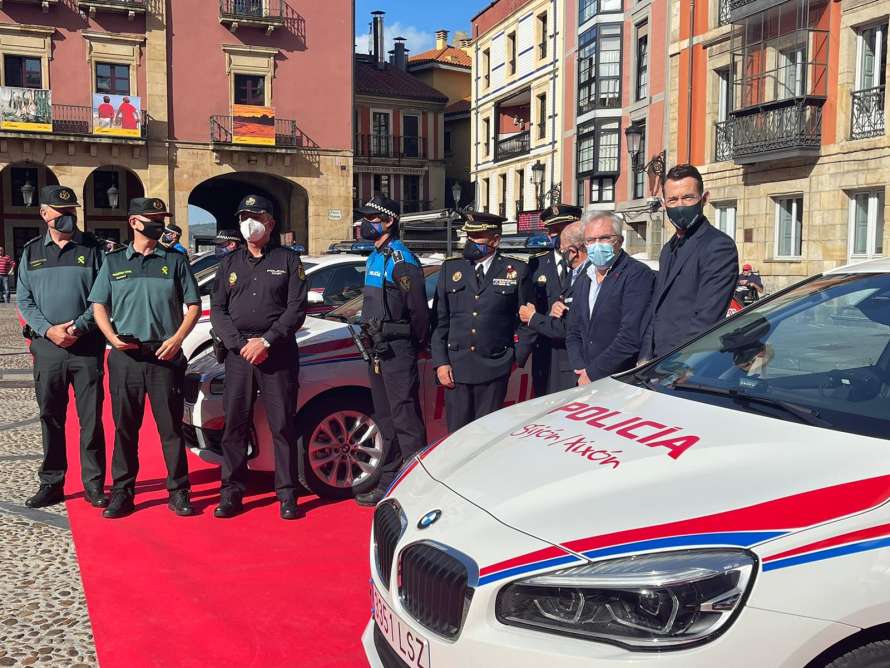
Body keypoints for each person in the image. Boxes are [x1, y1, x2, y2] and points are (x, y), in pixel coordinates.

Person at [89, 197, 201, 519]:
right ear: (134, 222)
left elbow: (193, 305)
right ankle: (123, 493)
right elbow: (99, 305)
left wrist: (178, 338)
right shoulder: (113, 262)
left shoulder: (175, 261)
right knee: (125, 429)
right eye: (153, 218)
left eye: (161, 218)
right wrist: (110, 338)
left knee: (170, 429)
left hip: (163, 357)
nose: (160, 223)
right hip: (126, 358)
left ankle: (179, 491)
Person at [210, 194, 308, 520]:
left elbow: (296, 310)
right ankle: (232, 493)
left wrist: (266, 341)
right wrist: (240, 344)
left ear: (270, 223)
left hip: (276, 354)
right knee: (234, 426)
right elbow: (219, 311)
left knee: (283, 426)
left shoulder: (289, 261)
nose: (247, 222)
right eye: (243, 217)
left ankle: (287, 494)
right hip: (239, 356)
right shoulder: (229, 264)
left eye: (255, 216)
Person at [17, 186, 107, 509]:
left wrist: (78, 327)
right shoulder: (30, 252)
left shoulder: (94, 249)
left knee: (90, 419)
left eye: (71, 211)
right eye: (60, 211)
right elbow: (24, 299)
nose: (68, 217)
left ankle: (94, 484)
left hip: (86, 348)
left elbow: (101, 296)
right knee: (50, 417)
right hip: (48, 348)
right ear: (44, 214)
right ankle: (52, 483)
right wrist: (47, 330)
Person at [352, 195, 429, 506]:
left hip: (397, 349)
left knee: (405, 421)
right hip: (377, 350)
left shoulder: (401, 260)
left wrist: (415, 343)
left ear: (388, 221)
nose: (364, 224)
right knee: (386, 421)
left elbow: (419, 313)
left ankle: (415, 487)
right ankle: (388, 480)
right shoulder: (375, 256)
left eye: (371, 218)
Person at [432, 212, 535, 432]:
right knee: (457, 434)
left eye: (478, 236)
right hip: (456, 367)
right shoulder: (451, 269)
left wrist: (516, 357)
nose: (470, 241)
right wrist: (441, 362)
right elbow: (440, 321)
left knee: (486, 434)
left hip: (494, 367)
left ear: (495, 240)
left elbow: (526, 321)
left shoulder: (516, 271)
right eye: (469, 235)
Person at [640, 164, 738, 361]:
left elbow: (707, 318)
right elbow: (656, 309)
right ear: (664, 203)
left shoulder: (718, 246)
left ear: (704, 199)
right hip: (656, 363)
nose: (680, 206)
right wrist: (645, 357)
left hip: (685, 364)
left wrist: (678, 365)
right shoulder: (668, 249)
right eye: (673, 200)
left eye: (688, 197)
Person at [566, 212, 656, 385]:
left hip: (618, 378)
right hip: (583, 377)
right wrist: (580, 369)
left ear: (620, 241)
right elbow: (573, 331)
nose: (597, 245)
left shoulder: (637, 274)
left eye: (605, 238)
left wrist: (592, 373)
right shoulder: (585, 277)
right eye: (590, 240)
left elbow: (630, 337)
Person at [519, 220, 589, 393]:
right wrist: (519, 355)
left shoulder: (590, 274)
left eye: (561, 230)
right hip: (545, 354)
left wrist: (534, 318)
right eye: (552, 231)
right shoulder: (536, 264)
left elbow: (573, 325)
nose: (555, 236)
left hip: (574, 357)